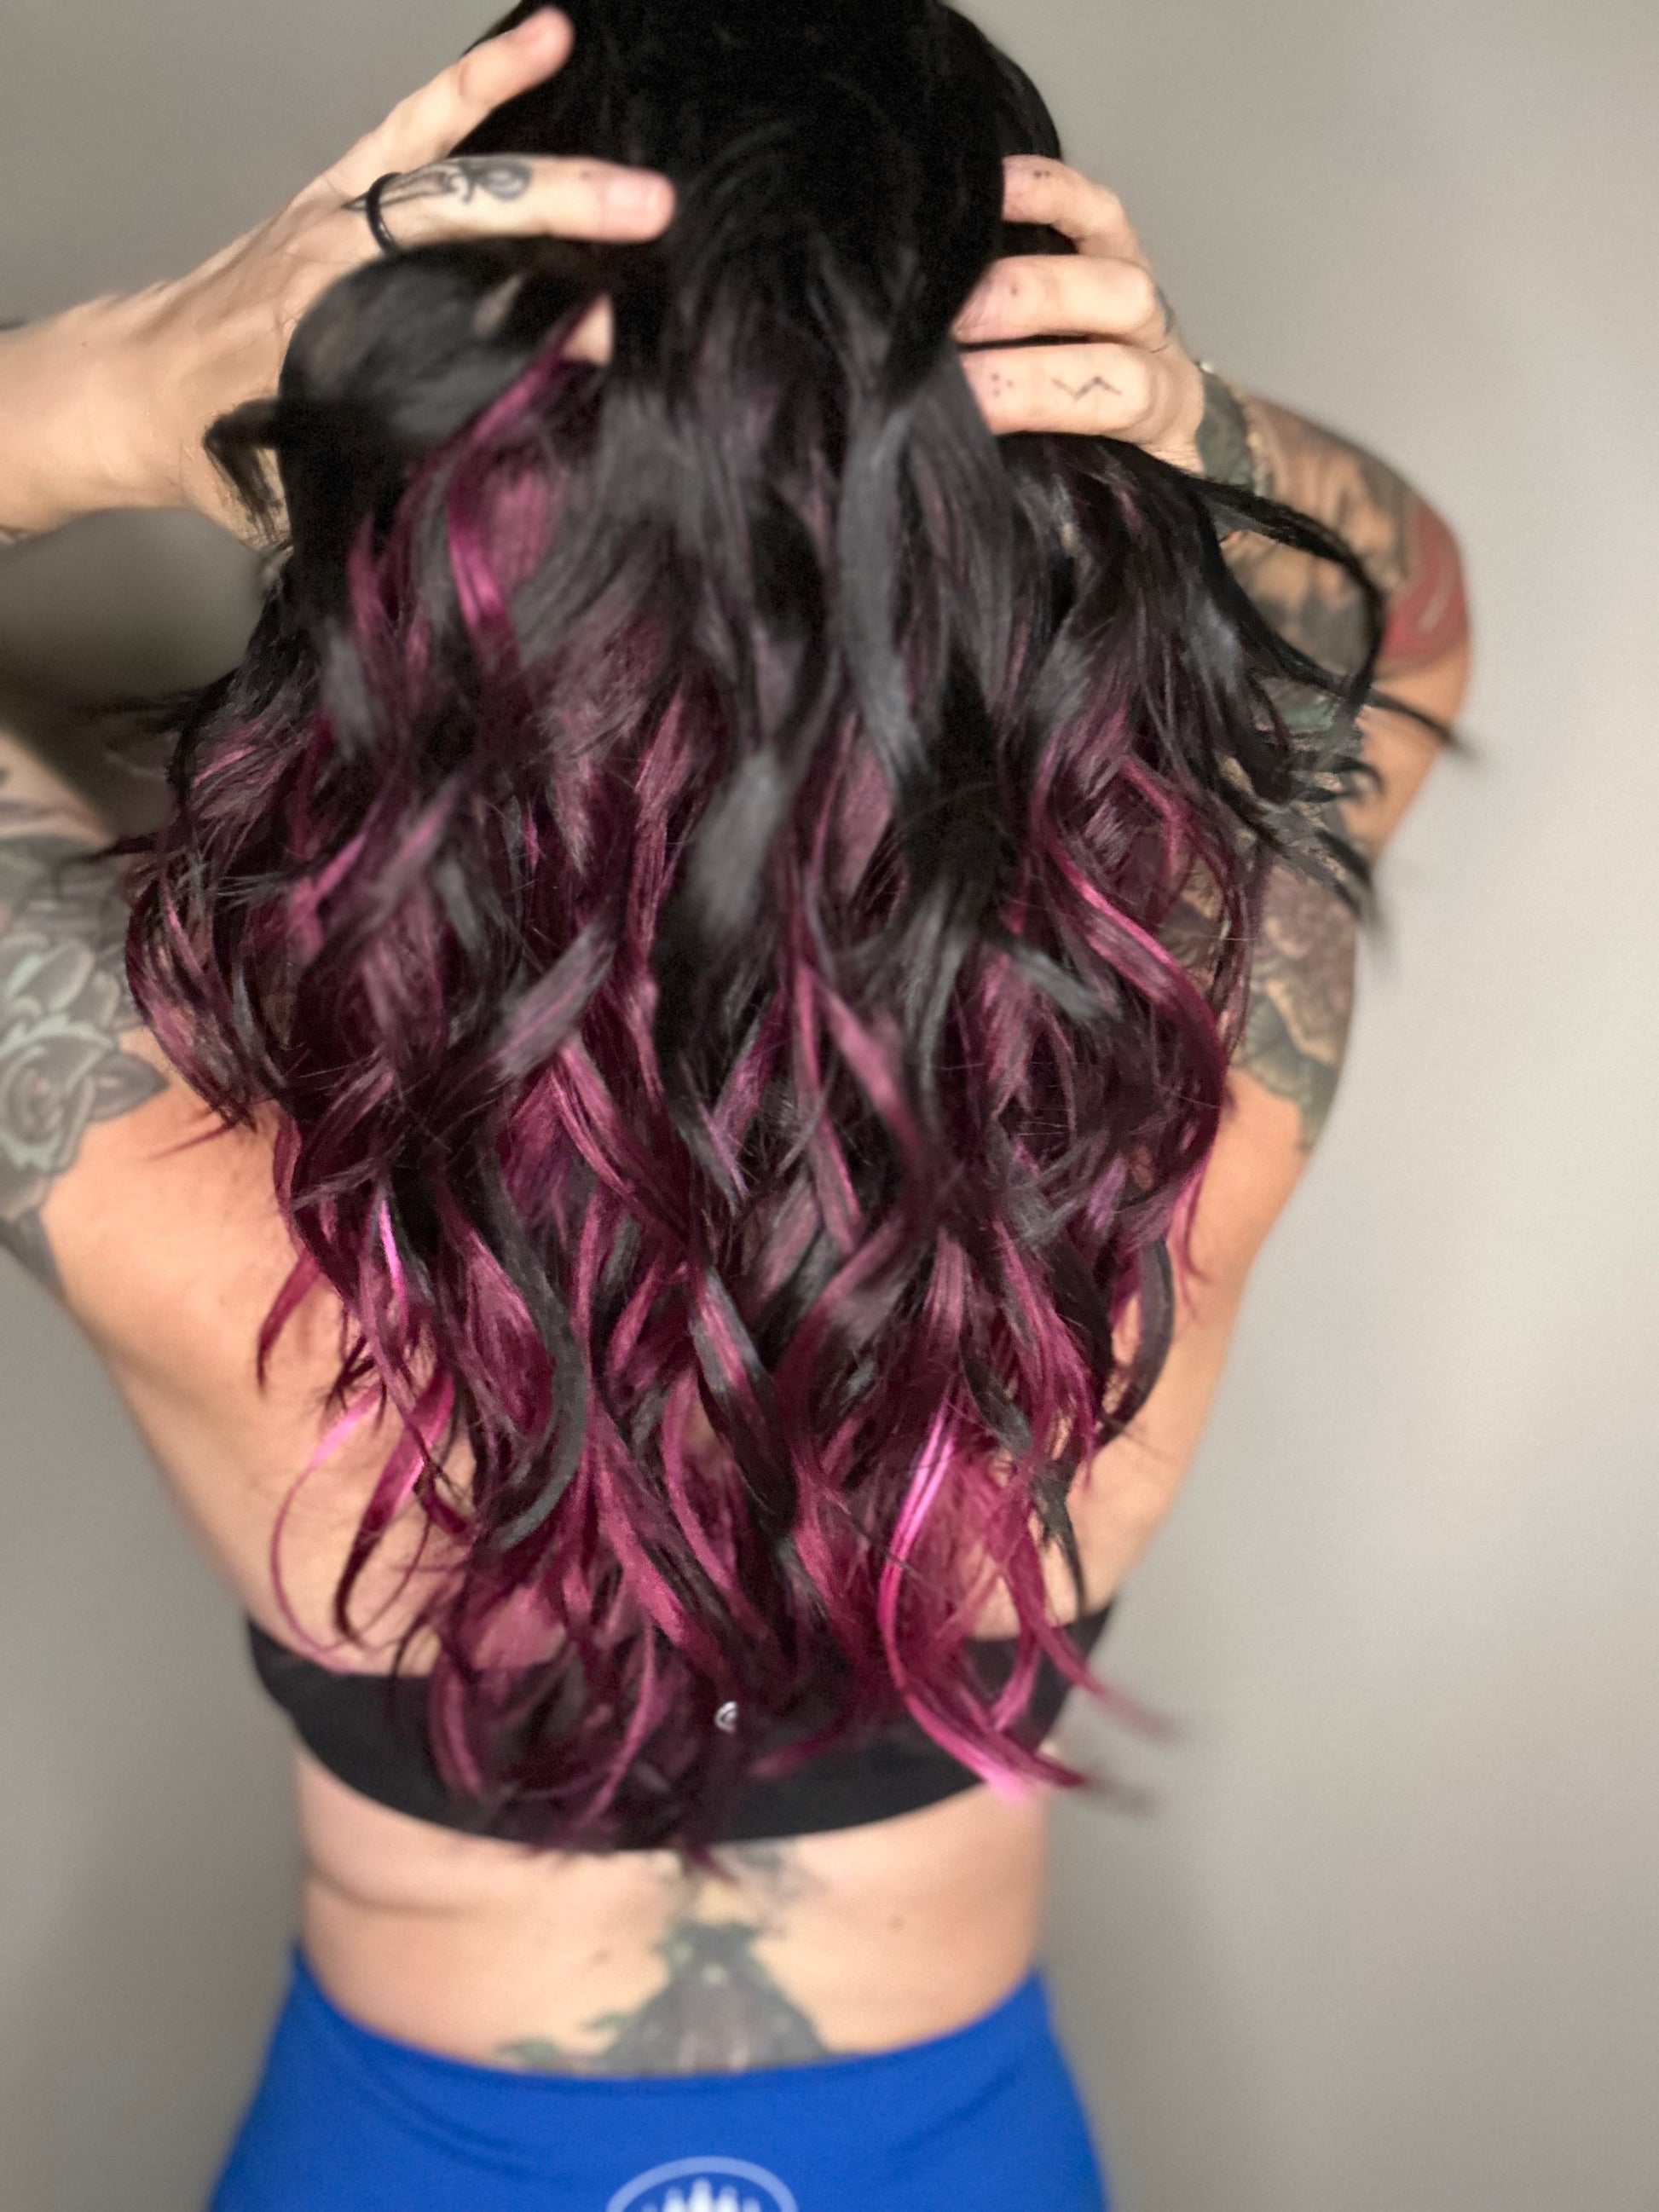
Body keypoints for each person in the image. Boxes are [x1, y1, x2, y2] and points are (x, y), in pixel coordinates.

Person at [0, 3, 1470, 2206]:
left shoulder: (171, 1176)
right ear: (1029, 526)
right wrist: (1191, 430)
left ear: (421, 539)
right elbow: (1413, 620)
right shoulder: (1183, 1069)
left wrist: (118, 385)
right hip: (959, 2148)